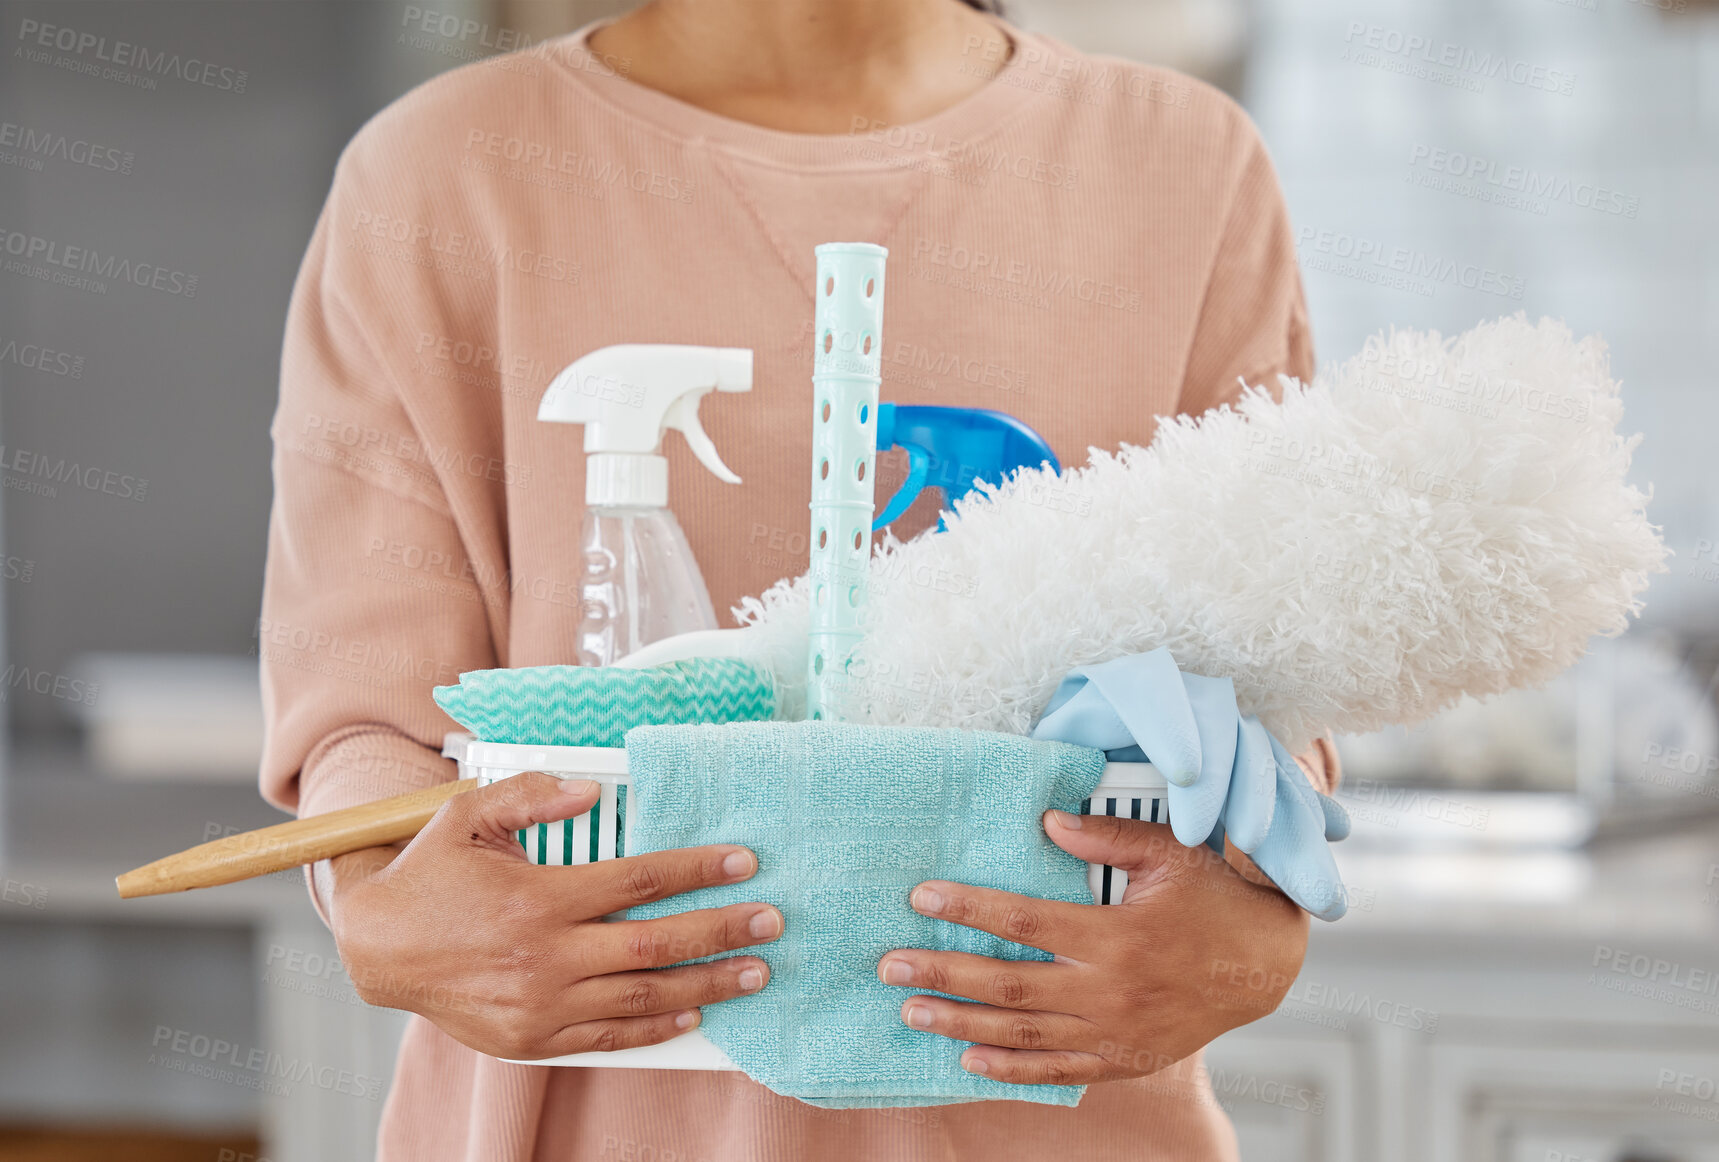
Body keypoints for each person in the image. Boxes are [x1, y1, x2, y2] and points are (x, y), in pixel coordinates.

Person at [259, 0, 1341, 1157]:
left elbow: (1275, 713)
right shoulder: (438, 176)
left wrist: (1257, 927)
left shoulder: (1181, 166)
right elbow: (366, 732)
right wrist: (377, 902)